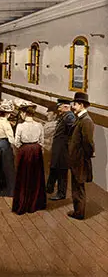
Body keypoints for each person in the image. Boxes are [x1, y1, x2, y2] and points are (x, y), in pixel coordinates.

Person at [12, 103, 46, 215]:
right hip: (36, 151)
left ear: (24, 113)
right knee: (35, 176)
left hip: (25, 151)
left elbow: (17, 142)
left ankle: (23, 203)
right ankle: (35, 203)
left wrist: (24, 148)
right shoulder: (40, 125)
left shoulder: (20, 126)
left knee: (23, 176)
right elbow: (41, 141)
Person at [68, 92, 95, 220]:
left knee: (79, 187)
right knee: (76, 186)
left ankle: (79, 213)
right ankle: (77, 210)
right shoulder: (80, 118)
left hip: (80, 160)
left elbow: (88, 142)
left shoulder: (86, 121)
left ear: (81, 105)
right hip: (76, 160)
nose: (73, 106)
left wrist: (86, 156)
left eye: (75, 104)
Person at [46, 99, 75, 201]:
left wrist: (68, 143)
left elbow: (73, 132)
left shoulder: (70, 117)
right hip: (58, 148)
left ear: (66, 107)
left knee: (62, 171)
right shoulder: (64, 116)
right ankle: (49, 188)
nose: (58, 109)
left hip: (63, 150)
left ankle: (61, 193)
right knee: (54, 168)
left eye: (60, 107)